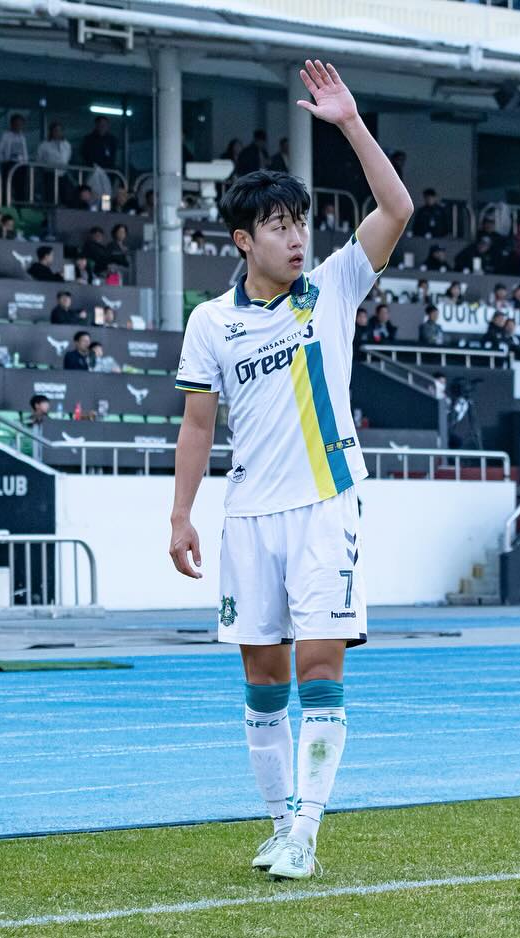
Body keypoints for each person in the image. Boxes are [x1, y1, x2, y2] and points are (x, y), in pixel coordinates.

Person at [168, 59, 412, 883]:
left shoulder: (332, 286)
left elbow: (397, 209)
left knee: (319, 669)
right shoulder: (211, 323)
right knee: (261, 678)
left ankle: (306, 831)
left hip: (325, 505)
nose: (296, 237)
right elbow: (198, 424)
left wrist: (350, 124)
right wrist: (181, 515)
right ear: (243, 239)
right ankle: (279, 826)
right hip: (248, 518)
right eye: (277, 226)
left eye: (300, 222)